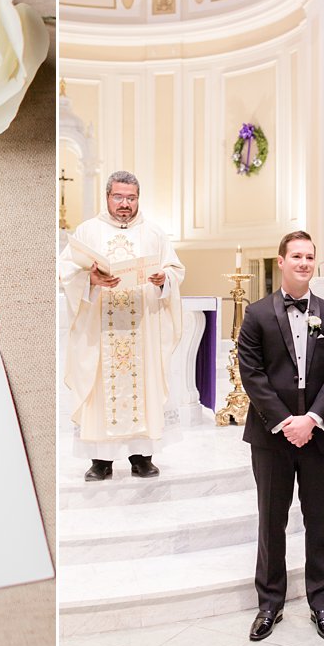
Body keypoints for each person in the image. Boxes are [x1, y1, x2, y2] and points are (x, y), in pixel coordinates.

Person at [236, 230, 324, 642]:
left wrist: (313, 419)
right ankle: (270, 603)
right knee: (272, 521)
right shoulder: (257, 314)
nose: (303, 263)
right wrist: (286, 420)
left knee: (320, 521)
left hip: (319, 435)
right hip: (272, 436)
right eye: (296, 256)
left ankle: (322, 604)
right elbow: (251, 372)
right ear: (281, 261)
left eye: (309, 257)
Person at [59, 170, 186, 481]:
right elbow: (66, 270)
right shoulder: (88, 231)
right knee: (100, 389)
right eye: (119, 197)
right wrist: (89, 278)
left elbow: (174, 270)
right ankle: (100, 461)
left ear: (138, 199)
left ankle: (142, 457)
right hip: (100, 329)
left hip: (141, 328)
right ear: (107, 198)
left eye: (131, 198)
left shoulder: (154, 234)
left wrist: (162, 280)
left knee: (144, 387)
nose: (125, 204)